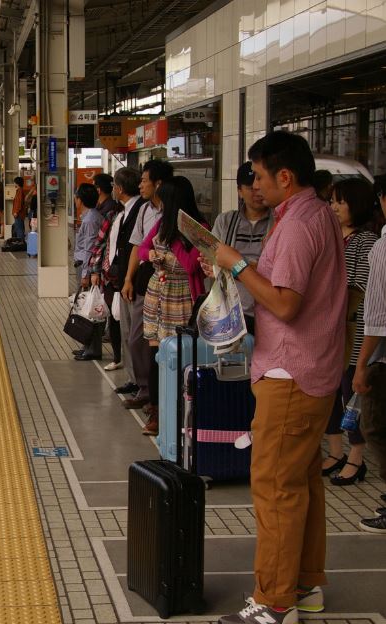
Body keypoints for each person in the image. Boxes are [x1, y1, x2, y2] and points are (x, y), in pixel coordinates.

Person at [208, 132, 346, 624]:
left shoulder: (297, 226)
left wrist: (236, 265)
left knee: (274, 487)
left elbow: (285, 303)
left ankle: (273, 602)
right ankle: (304, 584)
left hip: (290, 372)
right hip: (314, 368)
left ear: (284, 176)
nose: (254, 185)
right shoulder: (317, 214)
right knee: (302, 480)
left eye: (259, 176)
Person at [320, 178, 382, 485]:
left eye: (339, 202)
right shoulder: (334, 236)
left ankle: (356, 457)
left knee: (350, 394)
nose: (333, 207)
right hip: (330, 330)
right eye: (332, 201)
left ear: (355, 205)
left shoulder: (366, 241)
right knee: (330, 393)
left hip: (353, 332)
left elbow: (361, 289)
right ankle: (335, 451)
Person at [137, 176, 207, 435]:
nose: (161, 206)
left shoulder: (199, 228)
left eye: (164, 201)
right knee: (156, 356)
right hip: (157, 294)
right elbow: (142, 249)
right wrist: (151, 254)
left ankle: (181, 413)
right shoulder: (161, 223)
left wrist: (175, 235)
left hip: (183, 296)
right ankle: (158, 412)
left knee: (180, 356)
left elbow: (190, 265)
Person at [120, 159, 174, 418]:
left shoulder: (172, 213)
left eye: (144, 180)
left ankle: (158, 397)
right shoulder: (143, 210)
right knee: (138, 338)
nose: (140, 185)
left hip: (172, 285)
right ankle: (145, 388)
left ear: (158, 183)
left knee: (161, 342)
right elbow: (138, 247)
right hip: (147, 279)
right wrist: (128, 279)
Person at [353, 174, 386, 533]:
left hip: (383, 360)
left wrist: (361, 365)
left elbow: (376, 317)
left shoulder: (381, 247)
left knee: (376, 428)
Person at [211, 162, 273, 334]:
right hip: (231, 312)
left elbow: (274, 270)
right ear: (239, 191)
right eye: (250, 188)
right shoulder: (225, 221)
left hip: (267, 313)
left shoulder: (278, 222)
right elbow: (213, 260)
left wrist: (235, 265)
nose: (257, 192)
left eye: (259, 185)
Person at [101, 167, 145, 383]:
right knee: (126, 330)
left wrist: (126, 277)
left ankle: (139, 381)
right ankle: (133, 379)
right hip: (123, 277)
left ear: (118, 188)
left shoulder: (140, 209)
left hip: (133, 279)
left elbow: (136, 246)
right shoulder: (124, 211)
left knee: (133, 333)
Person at [83, 173, 122, 368]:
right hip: (110, 273)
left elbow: (97, 244)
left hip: (112, 274)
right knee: (109, 313)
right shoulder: (110, 211)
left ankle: (102, 350)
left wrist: (92, 271)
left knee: (108, 313)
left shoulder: (109, 212)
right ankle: (107, 351)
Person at [71, 183, 103, 359]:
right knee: (86, 307)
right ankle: (87, 345)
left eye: (76, 197)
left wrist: (86, 274)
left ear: (80, 200)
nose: (75, 200)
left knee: (91, 309)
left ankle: (93, 348)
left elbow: (90, 248)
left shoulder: (90, 219)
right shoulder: (90, 216)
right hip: (85, 266)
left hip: (87, 268)